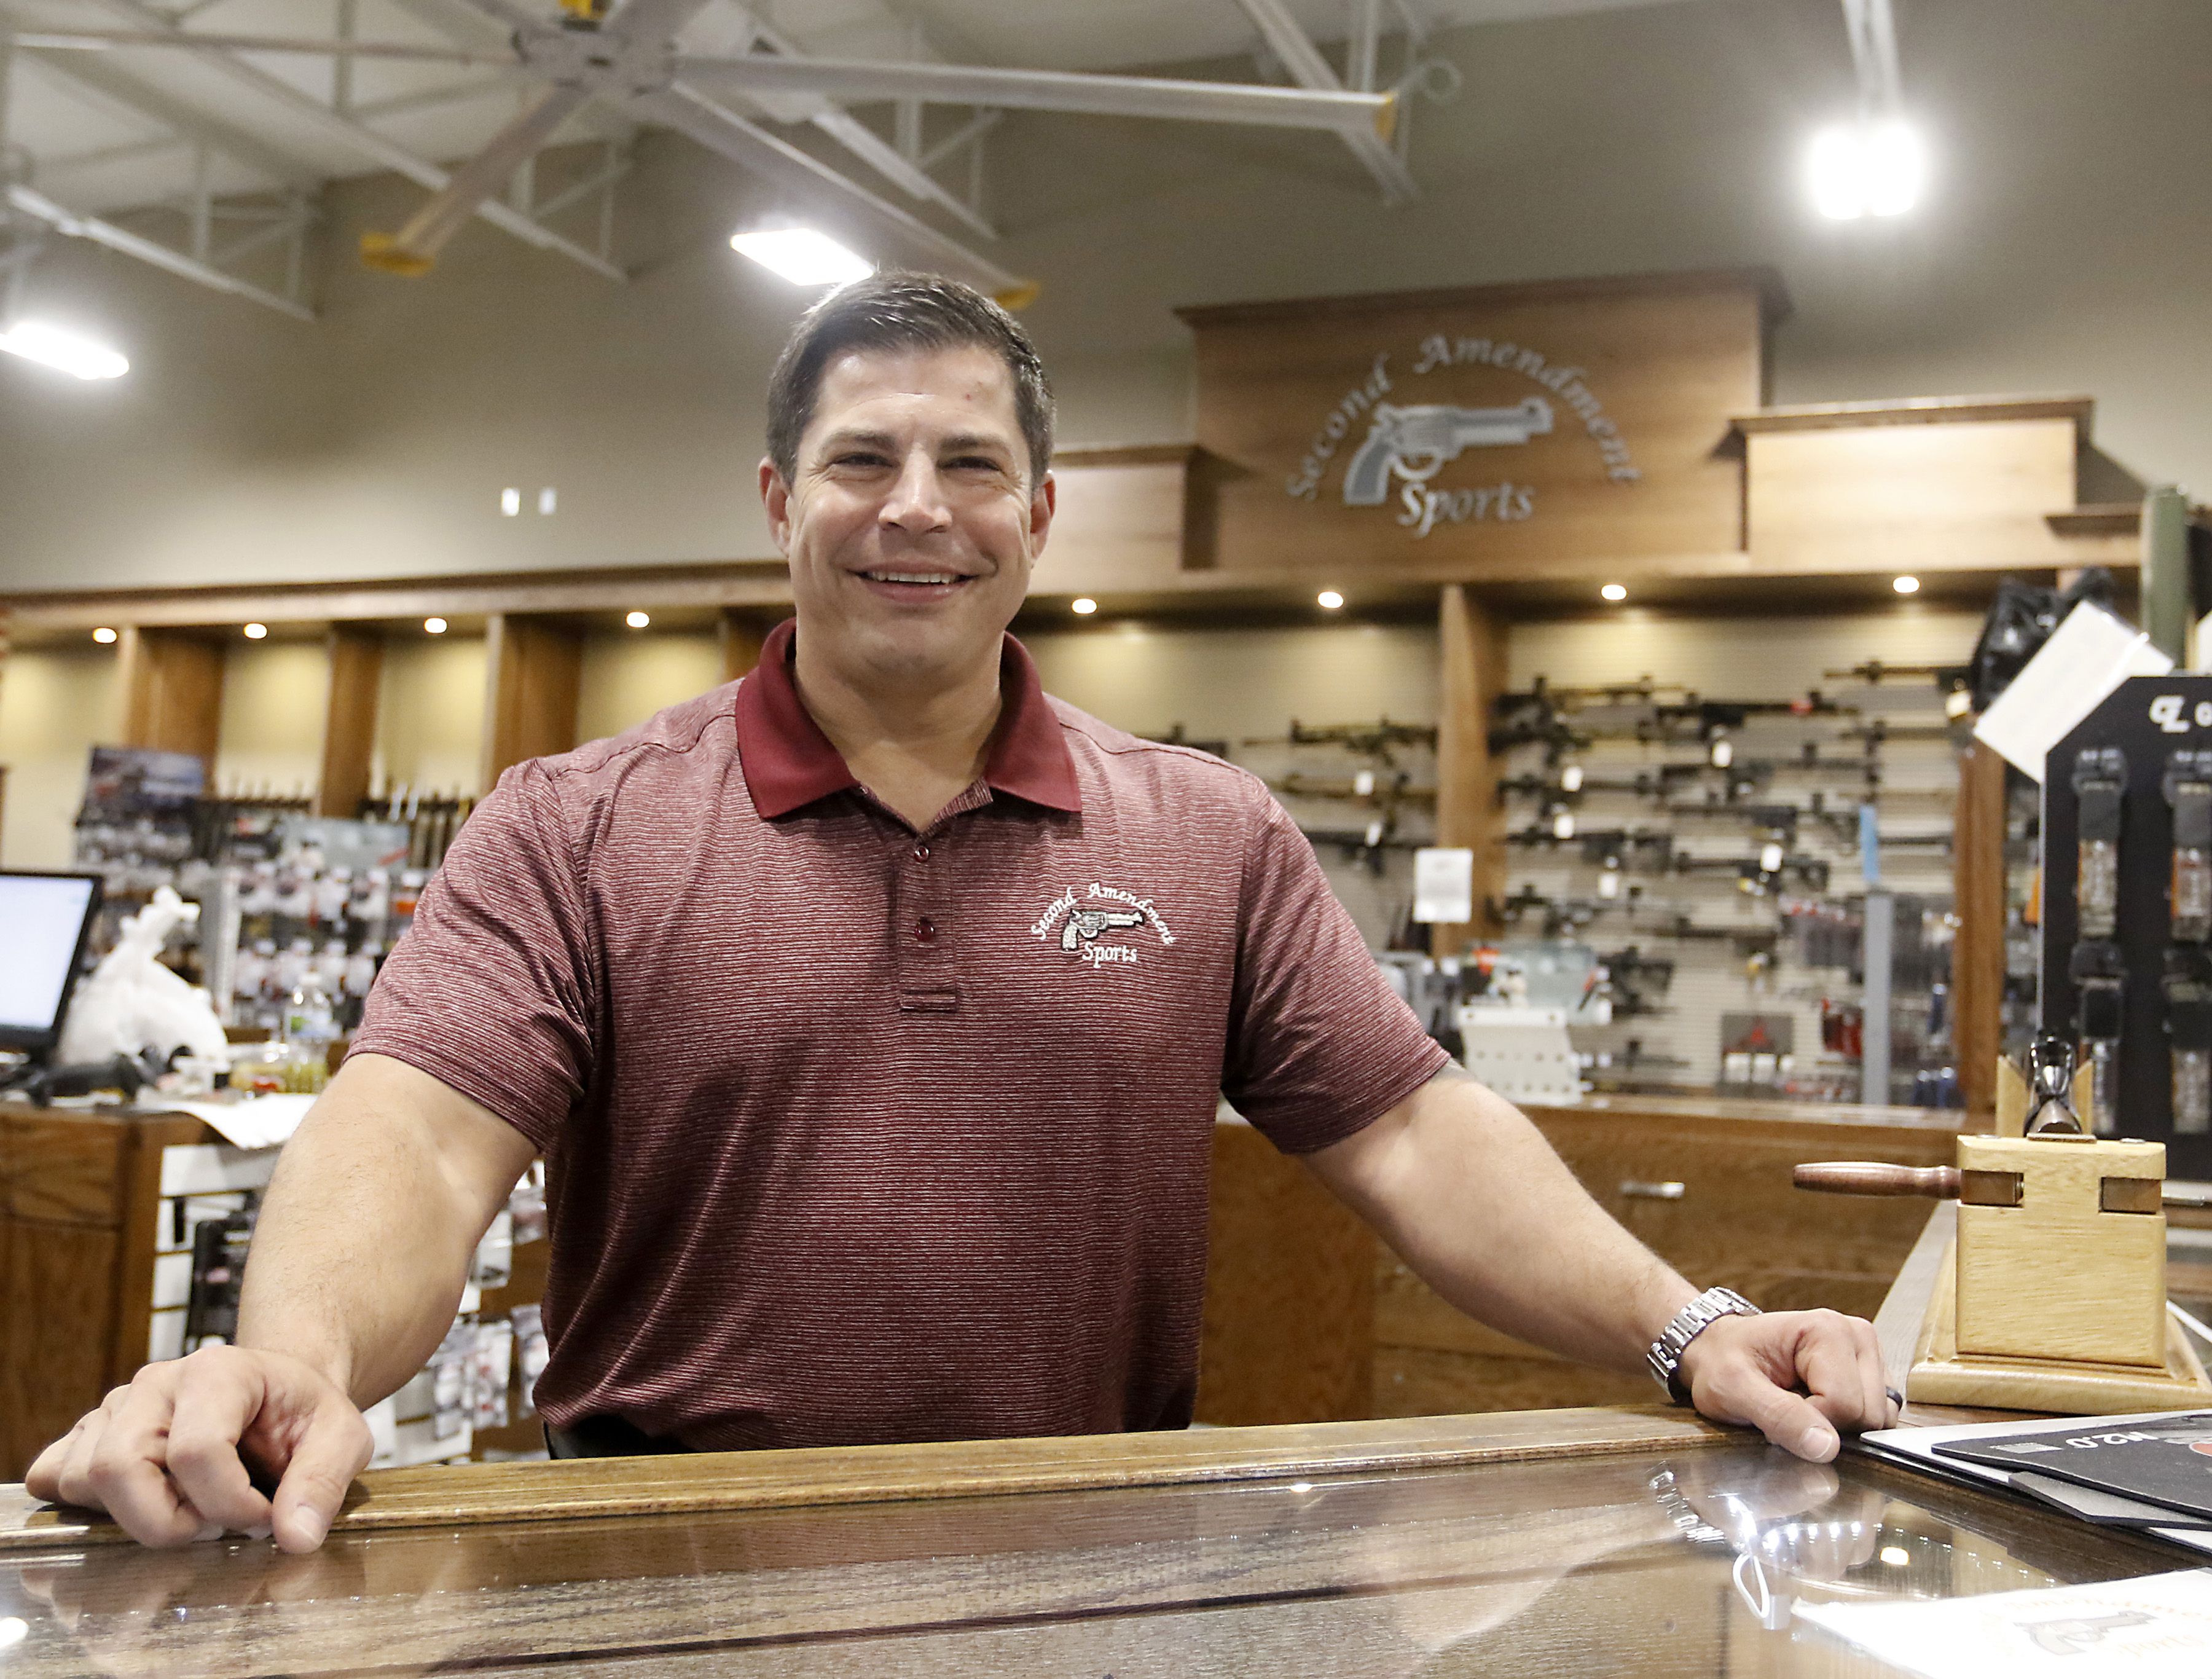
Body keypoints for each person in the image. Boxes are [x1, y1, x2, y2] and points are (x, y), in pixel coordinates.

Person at [28, 273, 1896, 1553]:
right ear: (779, 498)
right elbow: (420, 1141)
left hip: (1090, 1570)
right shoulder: (573, 824)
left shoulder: (1209, 833)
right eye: (862, 459)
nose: (914, 506)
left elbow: (1412, 1131)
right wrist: (295, 1364)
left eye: (970, 464)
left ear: (1040, 515)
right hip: (650, 1564)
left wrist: (1688, 1322)